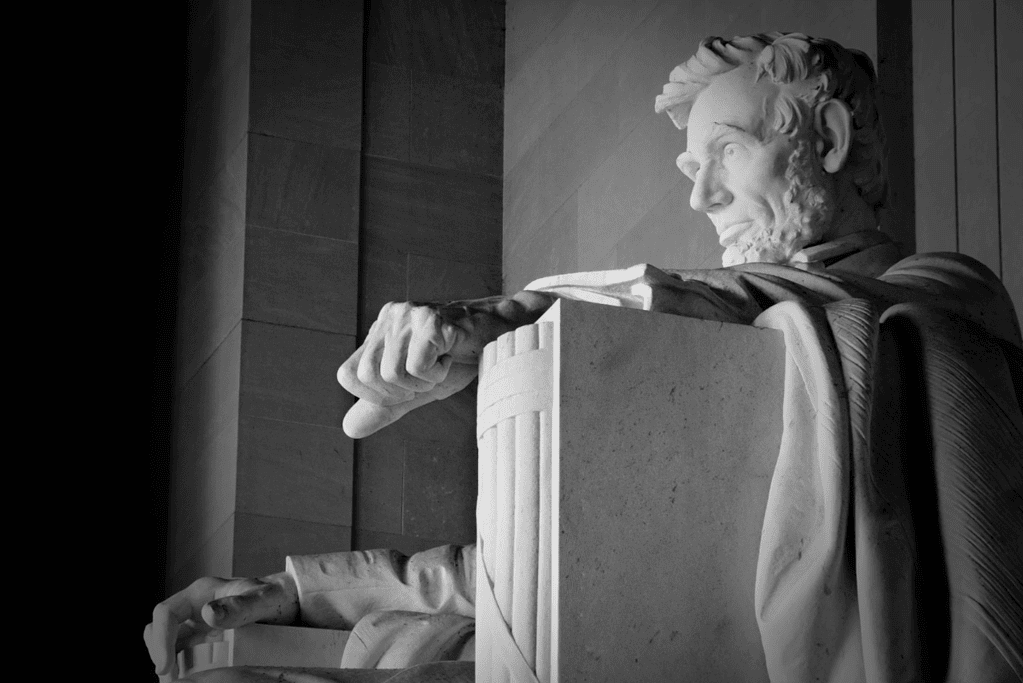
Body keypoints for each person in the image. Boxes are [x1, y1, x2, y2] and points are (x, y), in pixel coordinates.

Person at [147, 33, 1022, 683]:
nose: (699, 194)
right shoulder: (732, 334)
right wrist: (298, 589)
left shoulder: (940, 300)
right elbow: (529, 553)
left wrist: (516, 315)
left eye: (726, 151)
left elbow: (771, 305)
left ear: (827, 138)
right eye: (689, 164)